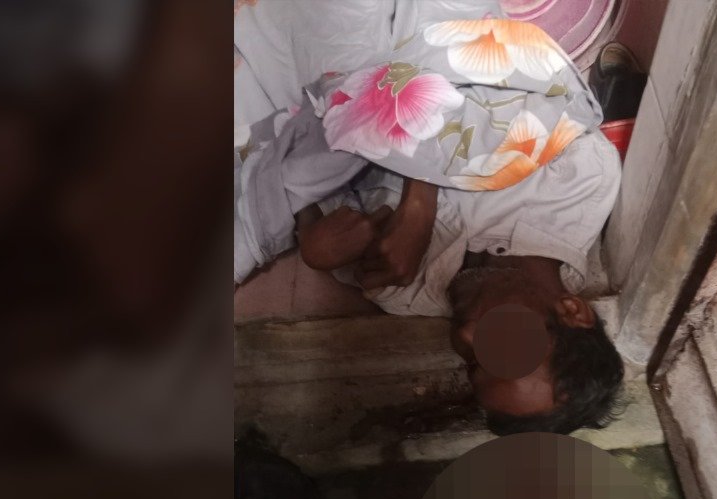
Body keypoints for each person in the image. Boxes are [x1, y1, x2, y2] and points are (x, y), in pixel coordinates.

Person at [234, 0, 625, 435]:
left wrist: (313, 238)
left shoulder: (410, 291)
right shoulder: (577, 188)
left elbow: (324, 181)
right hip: (425, 26)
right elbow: (530, 71)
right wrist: (421, 198)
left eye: (472, 364)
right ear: (571, 310)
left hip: (316, 71)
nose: (467, 335)